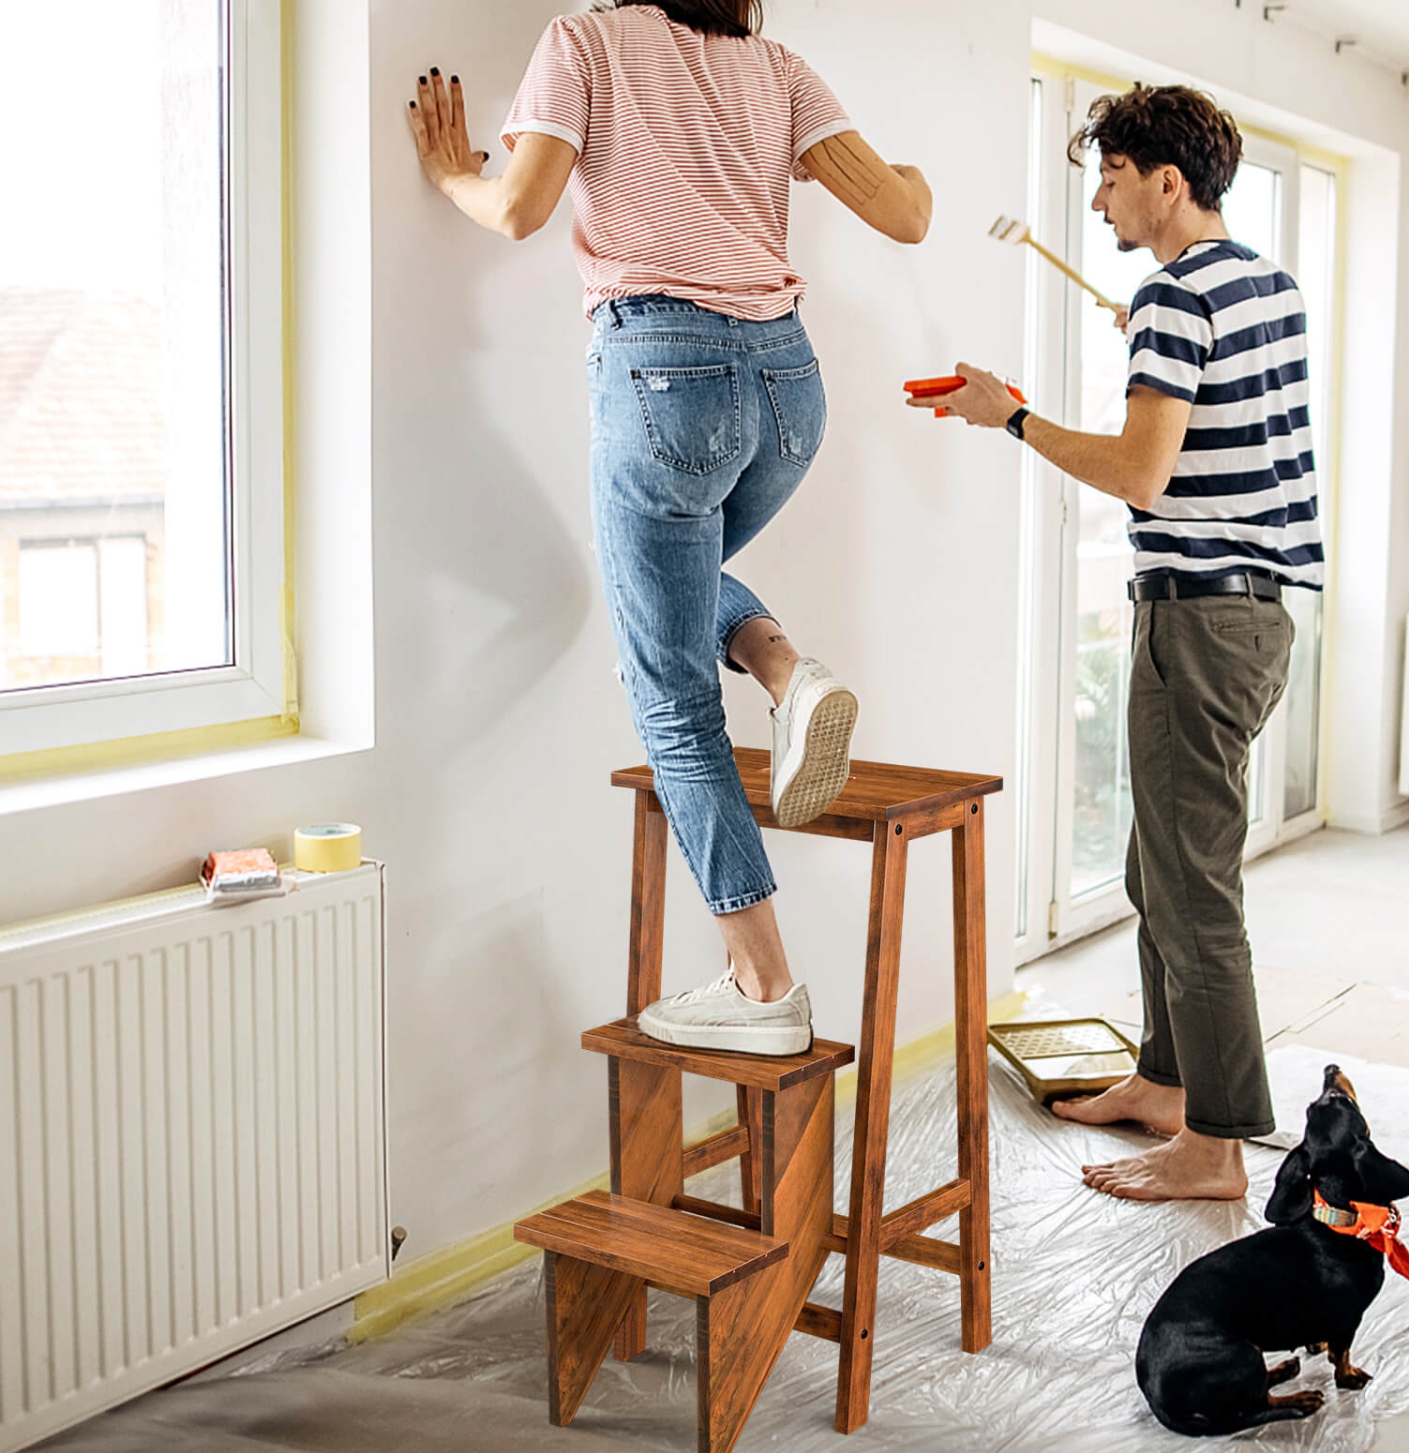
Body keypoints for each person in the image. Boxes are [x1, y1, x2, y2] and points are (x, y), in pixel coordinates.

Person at [407, 1, 931, 1055]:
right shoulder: (778, 70)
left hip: (664, 377)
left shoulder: (587, 42)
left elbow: (519, 208)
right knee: (665, 594)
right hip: (788, 390)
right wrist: (903, 172)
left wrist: (451, 173)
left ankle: (763, 986)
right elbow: (908, 214)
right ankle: (783, 670)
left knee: (670, 693)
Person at [910, 85, 1323, 1201]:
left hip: (1196, 616)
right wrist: (1153, 352)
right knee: (1159, 867)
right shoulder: (1268, 287)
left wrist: (1010, 416)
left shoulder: (1174, 296)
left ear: (1167, 183)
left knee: (1191, 888)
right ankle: (1166, 1083)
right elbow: (1220, 428)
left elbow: (1142, 473)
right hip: (1253, 615)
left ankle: (1216, 1144)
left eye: (1111, 177)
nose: (1098, 202)